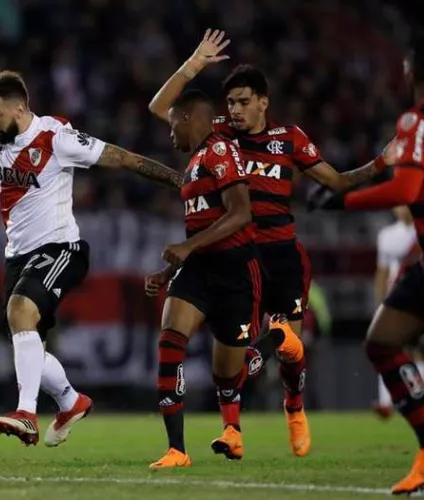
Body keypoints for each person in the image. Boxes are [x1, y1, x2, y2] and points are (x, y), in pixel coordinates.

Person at [148, 29, 390, 457]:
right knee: (238, 357)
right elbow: (164, 108)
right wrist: (195, 64)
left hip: (281, 254)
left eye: (244, 102)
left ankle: (294, 407)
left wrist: (380, 164)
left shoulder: (289, 139)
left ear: (263, 102)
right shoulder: (218, 132)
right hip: (239, 254)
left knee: (287, 349)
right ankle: (232, 432)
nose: (235, 110)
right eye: (231, 103)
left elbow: (334, 182)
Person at [0, 70, 183, 447]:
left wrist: (178, 180)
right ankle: (72, 401)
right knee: (29, 347)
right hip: (17, 257)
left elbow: (121, 158)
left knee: (20, 311)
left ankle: (26, 413)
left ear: (19, 108)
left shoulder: (57, 137)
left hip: (60, 249)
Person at [308, 35, 424, 495]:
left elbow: (407, 192)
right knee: (382, 341)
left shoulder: (416, 119)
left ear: (411, 69)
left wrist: (343, 202)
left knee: (383, 343)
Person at [143, 89, 260, 468]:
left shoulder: (220, 151)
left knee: (227, 373)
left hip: (233, 269)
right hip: (197, 271)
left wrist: (189, 246)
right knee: (169, 342)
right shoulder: (195, 162)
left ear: (187, 118)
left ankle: (234, 427)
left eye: (172, 123)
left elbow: (241, 213)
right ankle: (177, 449)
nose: (169, 133)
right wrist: (168, 271)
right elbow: (201, 225)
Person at [372, 207, 422, 419]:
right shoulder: (387, 235)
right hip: (398, 298)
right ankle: (386, 402)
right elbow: (382, 272)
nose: (402, 209)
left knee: (419, 350)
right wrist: (380, 303)